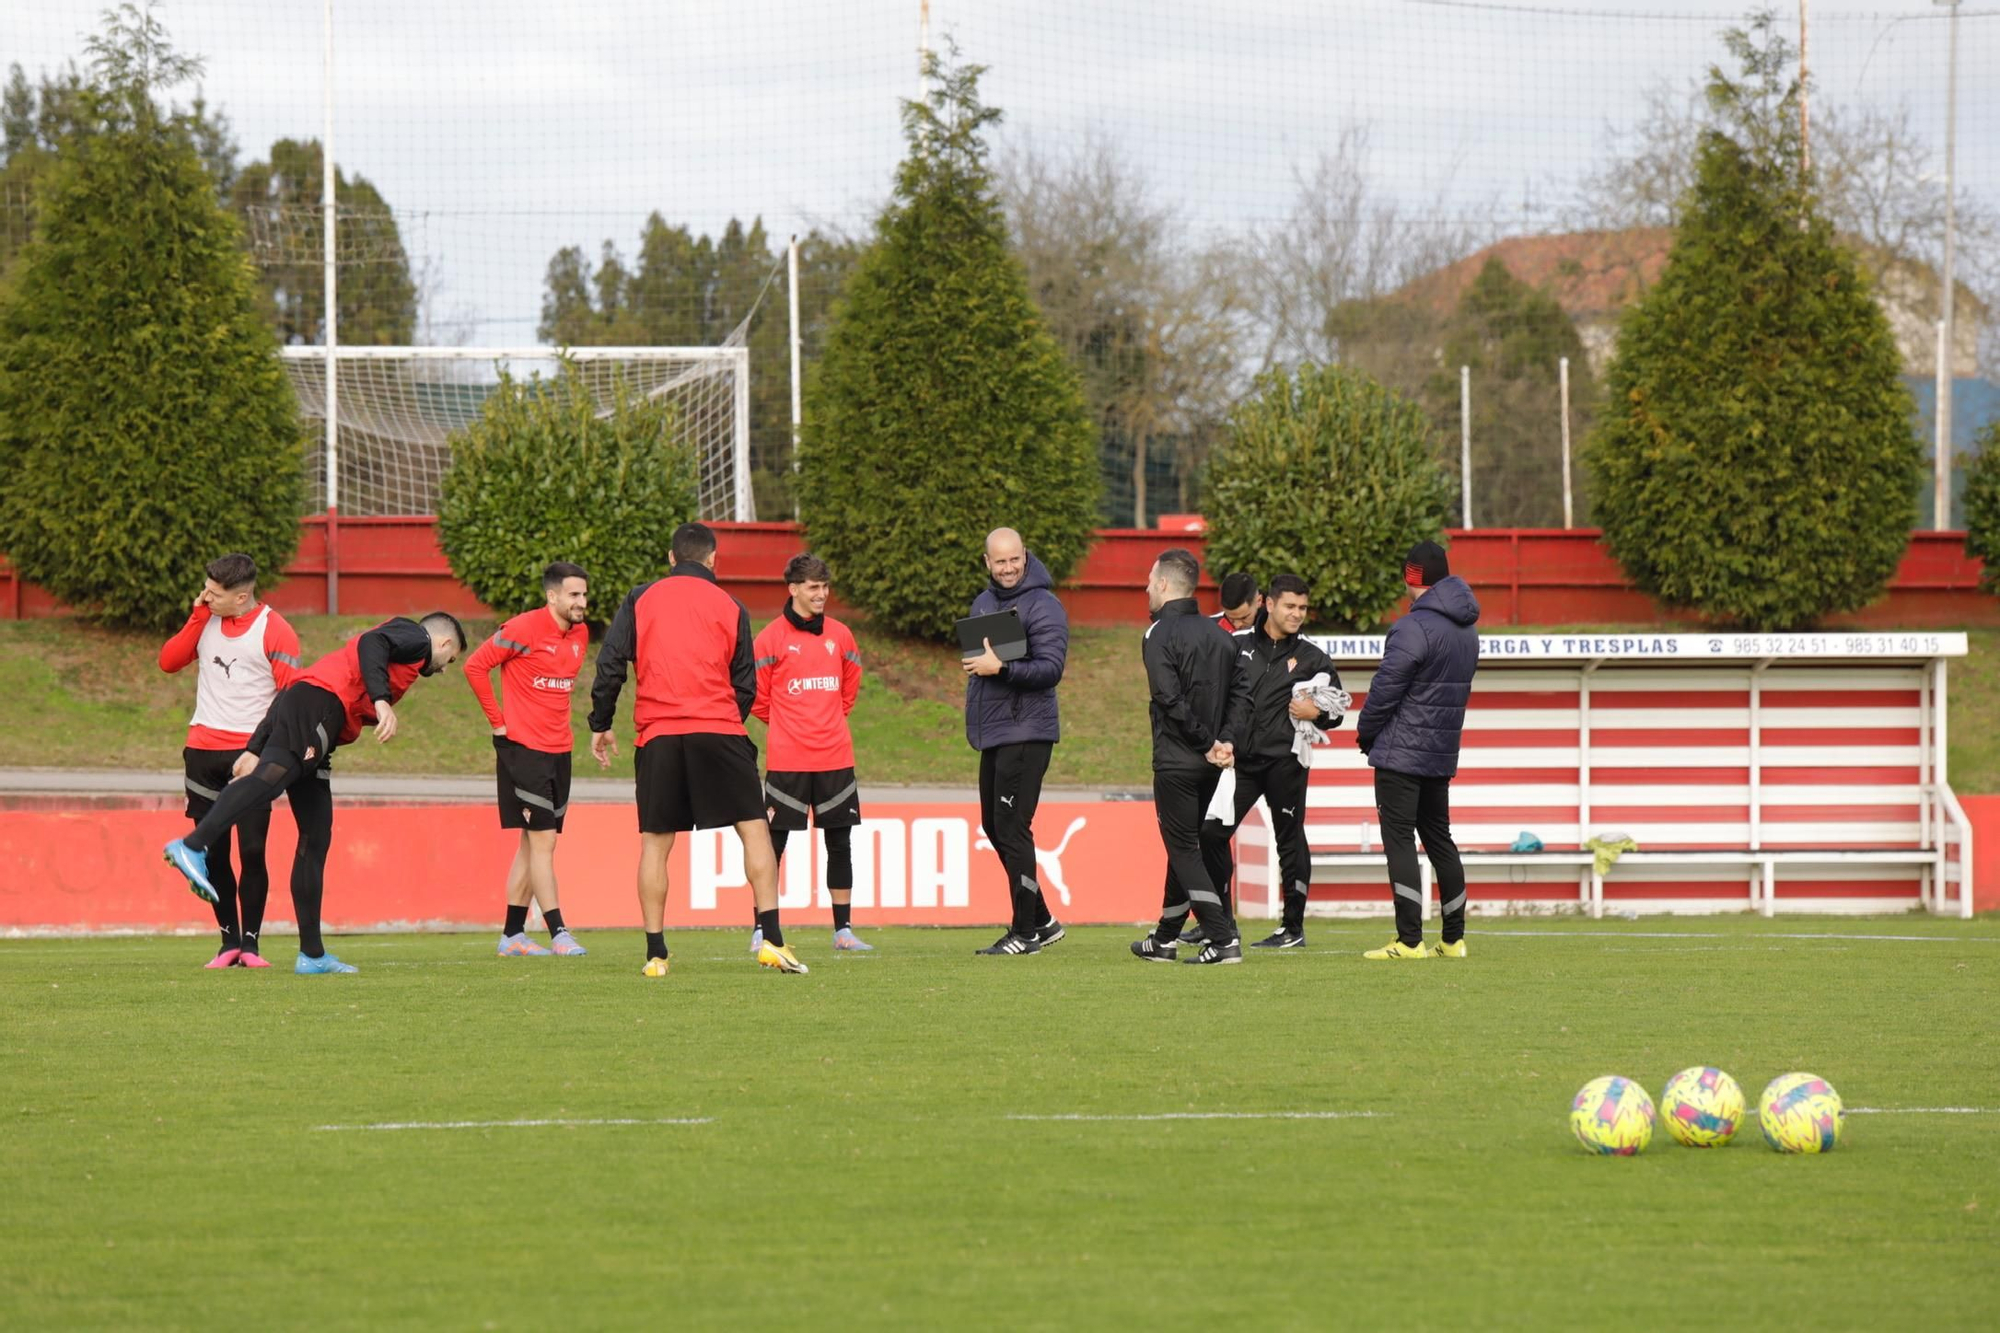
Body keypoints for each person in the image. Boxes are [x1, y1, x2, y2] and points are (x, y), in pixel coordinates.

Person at [163, 612, 468, 974]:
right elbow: (373, 643)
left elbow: (290, 691)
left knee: (316, 831)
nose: (444, 668)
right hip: (319, 708)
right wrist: (382, 699)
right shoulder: (417, 638)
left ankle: (312, 954)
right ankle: (193, 845)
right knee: (268, 784)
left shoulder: (388, 651)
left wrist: (255, 747)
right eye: (449, 661)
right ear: (445, 643)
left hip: (312, 712)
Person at [588, 522, 807, 977]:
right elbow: (746, 682)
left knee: (655, 843)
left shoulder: (640, 598)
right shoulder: (731, 604)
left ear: (671, 559)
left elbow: (610, 662)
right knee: (753, 830)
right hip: (719, 728)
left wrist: (601, 722)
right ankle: (773, 941)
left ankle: (656, 954)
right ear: (713, 560)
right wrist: (725, 722)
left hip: (659, 734)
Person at [157, 553, 303, 969]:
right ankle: (229, 944)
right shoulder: (204, 619)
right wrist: (196, 616)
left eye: (215, 593)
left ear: (241, 598)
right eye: (206, 587)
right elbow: (168, 662)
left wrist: (264, 750)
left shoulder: (276, 630)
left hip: (249, 757)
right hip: (201, 751)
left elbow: (291, 699)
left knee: (253, 851)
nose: (206, 596)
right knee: (213, 855)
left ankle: (252, 945)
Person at [1355, 540, 1480, 961]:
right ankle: (1453, 939)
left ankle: (1409, 941)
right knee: (1440, 839)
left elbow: (1385, 690)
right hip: (1440, 752)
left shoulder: (1412, 626)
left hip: (1400, 753)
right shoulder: (1466, 627)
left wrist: (1366, 733)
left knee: (1400, 842)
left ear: (1412, 577)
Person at [1208, 573, 1345, 950]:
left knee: (1290, 841)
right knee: (1212, 834)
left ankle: (1292, 929)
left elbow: (1338, 712)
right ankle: (1220, 923)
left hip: (1286, 763)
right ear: (1268, 604)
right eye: (1290, 606)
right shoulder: (1234, 644)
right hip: (1241, 764)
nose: (1297, 614)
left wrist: (1314, 710)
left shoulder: (1314, 657)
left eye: (1302, 607)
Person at [463, 562, 591, 959]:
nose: (581, 602)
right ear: (552, 596)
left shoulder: (580, 634)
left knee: (530, 845)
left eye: (584, 594)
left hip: (560, 751)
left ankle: (512, 936)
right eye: (573, 595)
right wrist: (498, 722)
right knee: (544, 842)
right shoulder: (521, 629)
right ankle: (559, 932)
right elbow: (475, 666)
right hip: (525, 751)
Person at [750, 553, 870, 953]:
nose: (822, 595)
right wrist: (789, 725)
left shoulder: (842, 636)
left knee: (840, 843)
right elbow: (757, 698)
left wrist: (830, 718)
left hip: (836, 758)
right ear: (794, 589)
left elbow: (849, 688)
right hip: (788, 761)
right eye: (814, 587)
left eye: (825, 587)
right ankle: (761, 929)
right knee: (774, 846)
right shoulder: (769, 639)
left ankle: (843, 930)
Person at [1131, 548, 1242, 964]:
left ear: (1162, 584)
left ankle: (1221, 936)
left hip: (1179, 760)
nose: (1145, 587)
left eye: (1149, 580)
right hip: (1211, 762)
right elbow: (1240, 696)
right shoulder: (1222, 635)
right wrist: (1224, 740)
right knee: (1186, 848)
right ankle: (1164, 940)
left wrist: (1204, 741)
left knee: (1183, 849)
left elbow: (1168, 697)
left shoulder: (1157, 634)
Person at [961, 527, 1068, 955]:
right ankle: (1042, 919)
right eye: (999, 561)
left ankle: (1025, 932)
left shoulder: (1045, 605)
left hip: (1028, 732)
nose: (1007, 568)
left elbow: (1050, 669)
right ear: (986, 562)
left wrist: (1000, 668)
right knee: (994, 824)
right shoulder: (983, 603)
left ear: (1025, 555)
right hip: (995, 733)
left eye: (1014, 559)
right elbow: (979, 663)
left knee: (1013, 827)